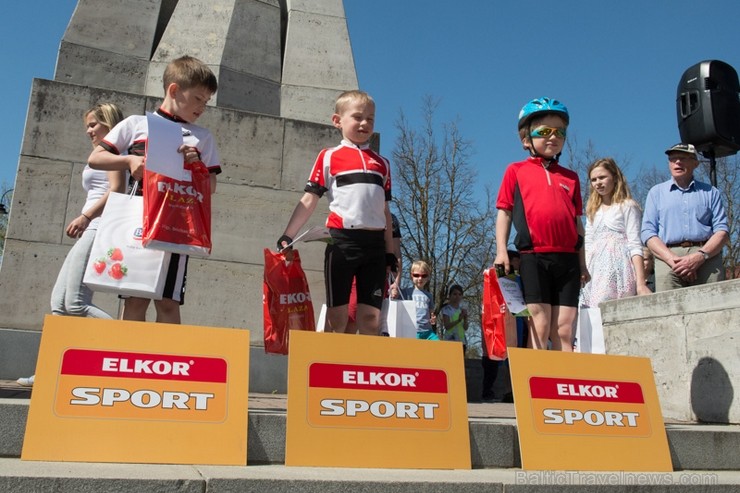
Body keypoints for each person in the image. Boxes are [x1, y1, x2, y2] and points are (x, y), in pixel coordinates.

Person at [88, 55, 221, 323]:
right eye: (198, 98)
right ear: (174, 90)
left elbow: (212, 186)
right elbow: (96, 159)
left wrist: (196, 166)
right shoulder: (136, 124)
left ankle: (166, 360)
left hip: (177, 226)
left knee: (168, 302)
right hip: (137, 221)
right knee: (136, 300)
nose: (202, 107)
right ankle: (129, 358)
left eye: (206, 102)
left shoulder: (203, 137)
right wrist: (129, 159)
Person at [17, 103, 126, 388]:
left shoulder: (115, 151)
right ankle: (50, 372)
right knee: (59, 303)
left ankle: (128, 347)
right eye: (87, 126)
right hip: (90, 227)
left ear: (108, 123)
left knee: (75, 303)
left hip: (98, 229)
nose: (89, 131)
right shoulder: (102, 153)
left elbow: (117, 190)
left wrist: (86, 216)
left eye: (93, 124)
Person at [278, 90, 395, 335]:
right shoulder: (329, 156)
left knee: (371, 318)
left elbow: (385, 211)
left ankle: (365, 370)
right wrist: (288, 235)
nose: (365, 123)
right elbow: (309, 199)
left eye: (371, 119)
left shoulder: (382, 163)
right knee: (338, 317)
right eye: (358, 117)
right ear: (337, 120)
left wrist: (390, 253)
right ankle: (331, 367)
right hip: (342, 242)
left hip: (374, 247)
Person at [494, 97, 588, 352]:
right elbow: (504, 211)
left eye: (560, 132)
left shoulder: (571, 177)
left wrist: (582, 263)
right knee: (540, 322)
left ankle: (564, 387)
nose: (552, 137)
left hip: (568, 260)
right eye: (544, 131)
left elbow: (577, 222)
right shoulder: (515, 171)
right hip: (534, 256)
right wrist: (501, 250)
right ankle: (533, 387)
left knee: (565, 328)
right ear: (527, 139)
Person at [641, 143, 729, 291]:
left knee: (712, 309)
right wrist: (672, 259)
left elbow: (722, 231)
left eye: (683, 158)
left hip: (706, 257)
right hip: (667, 258)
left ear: (695, 163)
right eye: (672, 159)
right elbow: (648, 232)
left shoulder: (711, 192)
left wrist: (700, 256)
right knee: (669, 311)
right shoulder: (656, 193)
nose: (677, 162)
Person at [580, 158, 652, 307]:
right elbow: (587, 242)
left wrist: (640, 283)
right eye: (593, 180)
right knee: (592, 310)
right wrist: (583, 268)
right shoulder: (593, 209)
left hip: (619, 266)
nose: (598, 182)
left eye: (602, 177)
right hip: (595, 268)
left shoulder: (627, 206)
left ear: (614, 177)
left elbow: (635, 244)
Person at [390, 260, 438, 340]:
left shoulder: (429, 295)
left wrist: (433, 318)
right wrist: (393, 292)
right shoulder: (406, 292)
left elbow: (432, 312)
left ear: (428, 277)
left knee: (439, 347)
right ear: (411, 276)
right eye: (416, 275)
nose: (420, 278)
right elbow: (394, 298)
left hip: (428, 332)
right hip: (412, 331)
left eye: (424, 276)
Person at [440, 284, 468, 350]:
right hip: (450, 341)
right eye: (455, 294)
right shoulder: (446, 309)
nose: (457, 296)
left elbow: (465, 328)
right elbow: (447, 326)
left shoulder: (462, 310)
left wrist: (466, 318)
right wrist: (458, 320)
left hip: (461, 342)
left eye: (459, 294)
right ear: (450, 296)